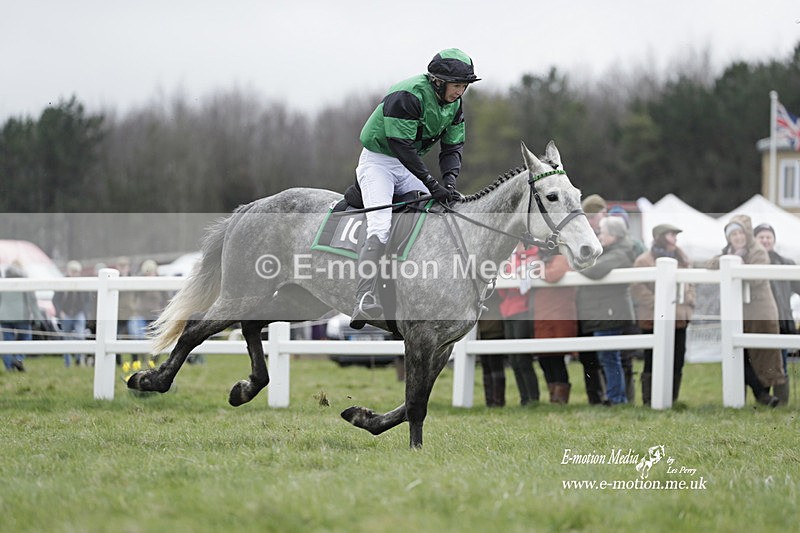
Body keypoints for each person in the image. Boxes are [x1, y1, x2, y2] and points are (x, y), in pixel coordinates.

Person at [350, 48, 480, 329]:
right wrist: (432, 184)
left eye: (464, 86)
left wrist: (449, 182)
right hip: (379, 162)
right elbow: (402, 146)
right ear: (437, 81)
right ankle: (363, 297)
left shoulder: (455, 105)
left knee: (442, 210)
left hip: (406, 164)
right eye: (456, 85)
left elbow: (452, 147)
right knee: (380, 225)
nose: (460, 92)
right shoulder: (407, 95)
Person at [708, 215, 785, 407]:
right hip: (739, 312)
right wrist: (729, 261)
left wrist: (738, 266)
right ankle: (761, 396)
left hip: (760, 310)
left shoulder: (758, 251)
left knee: (763, 354)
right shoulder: (727, 252)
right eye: (733, 234)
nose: (737, 237)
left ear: (747, 234)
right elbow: (710, 264)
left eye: (740, 233)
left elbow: (756, 278)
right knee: (739, 355)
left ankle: (766, 397)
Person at [631, 224, 695, 405]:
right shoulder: (643, 261)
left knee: (678, 358)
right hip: (653, 318)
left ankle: (671, 398)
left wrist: (690, 299)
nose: (675, 238)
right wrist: (658, 302)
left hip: (679, 317)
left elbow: (690, 284)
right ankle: (649, 399)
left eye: (675, 235)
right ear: (660, 237)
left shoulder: (683, 259)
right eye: (671, 235)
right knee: (652, 359)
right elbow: (637, 287)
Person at [576, 216, 636, 405]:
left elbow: (594, 270)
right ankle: (616, 396)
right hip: (606, 311)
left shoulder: (620, 253)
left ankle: (616, 398)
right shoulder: (615, 251)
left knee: (609, 357)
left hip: (609, 312)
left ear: (614, 236)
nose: (599, 235)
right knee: (608, 357)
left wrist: (576, 262)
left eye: (603, 232)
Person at [753, 222, 799, 405]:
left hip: (782, 320)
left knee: (781, 363)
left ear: (774, 240)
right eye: (761, 237)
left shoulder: (787, 263)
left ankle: (782, 402)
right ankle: (764, 399)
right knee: (760, 360)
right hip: (759, 320)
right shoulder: (750, 262)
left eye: (768, 237)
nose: (765, 240)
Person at [531, 246, 576, 404]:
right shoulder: (541, 259)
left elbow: (554, 275)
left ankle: (560, 399)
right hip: (542, 316)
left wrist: (535, 269)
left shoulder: (561, 258)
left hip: (559, 315)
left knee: (557, 358)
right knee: (545, 359)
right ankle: (553, 396)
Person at [498, 244, 540, 405]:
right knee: (514, 359)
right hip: (507, 310)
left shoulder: (533, 258)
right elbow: (503, 287)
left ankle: (533, 397)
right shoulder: (512, 259)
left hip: (523, 310)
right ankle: (524, 398)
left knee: (523, 357)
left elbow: (524, 287)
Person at [576, 194, 608, 404]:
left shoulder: (609, 235)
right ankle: (594, 397)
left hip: (603, 303)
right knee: (587, 355)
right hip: (583, 303)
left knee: (606, 354)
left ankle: (610, 395)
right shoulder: (579, 234)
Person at [0, 263, 38, 372]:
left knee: (7, 342)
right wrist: (38, 317)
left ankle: (9, 367)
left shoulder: (3, 281)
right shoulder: (25, 282)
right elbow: (32, 301)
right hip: (22, 316)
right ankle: (18, 358)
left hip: (4, 316)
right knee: (26, 338)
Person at [129, 259, 169, 362]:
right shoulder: (141, 282)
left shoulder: (161, 283)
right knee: (136, 336)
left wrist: (163, 312)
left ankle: (153, 361)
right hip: (141, 314)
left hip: (156, 314)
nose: (150, 274)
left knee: (158, 337)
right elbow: (134, 297)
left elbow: (166, 299)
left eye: (152, 271)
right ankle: (139, 360)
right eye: (148, 272)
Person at [53, 260, 91, 367]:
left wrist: (85, 312)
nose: (75, 274)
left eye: (77, 271)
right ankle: (67, 362)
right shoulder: (62, 283)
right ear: (68, 271)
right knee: (66, 339)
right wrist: (60, 312)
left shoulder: (82, 283)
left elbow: (87, 300)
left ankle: (79, 359)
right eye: (73, 271)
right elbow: (55, 300)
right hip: (66, 313)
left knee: (80, 336)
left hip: (79, 313)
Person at [477, 291, 506, 407]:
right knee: (487, 367)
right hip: (484, 331)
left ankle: (497, 401)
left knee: (495, 367)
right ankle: (491, 401)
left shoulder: (492, 291)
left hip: (494, 330)